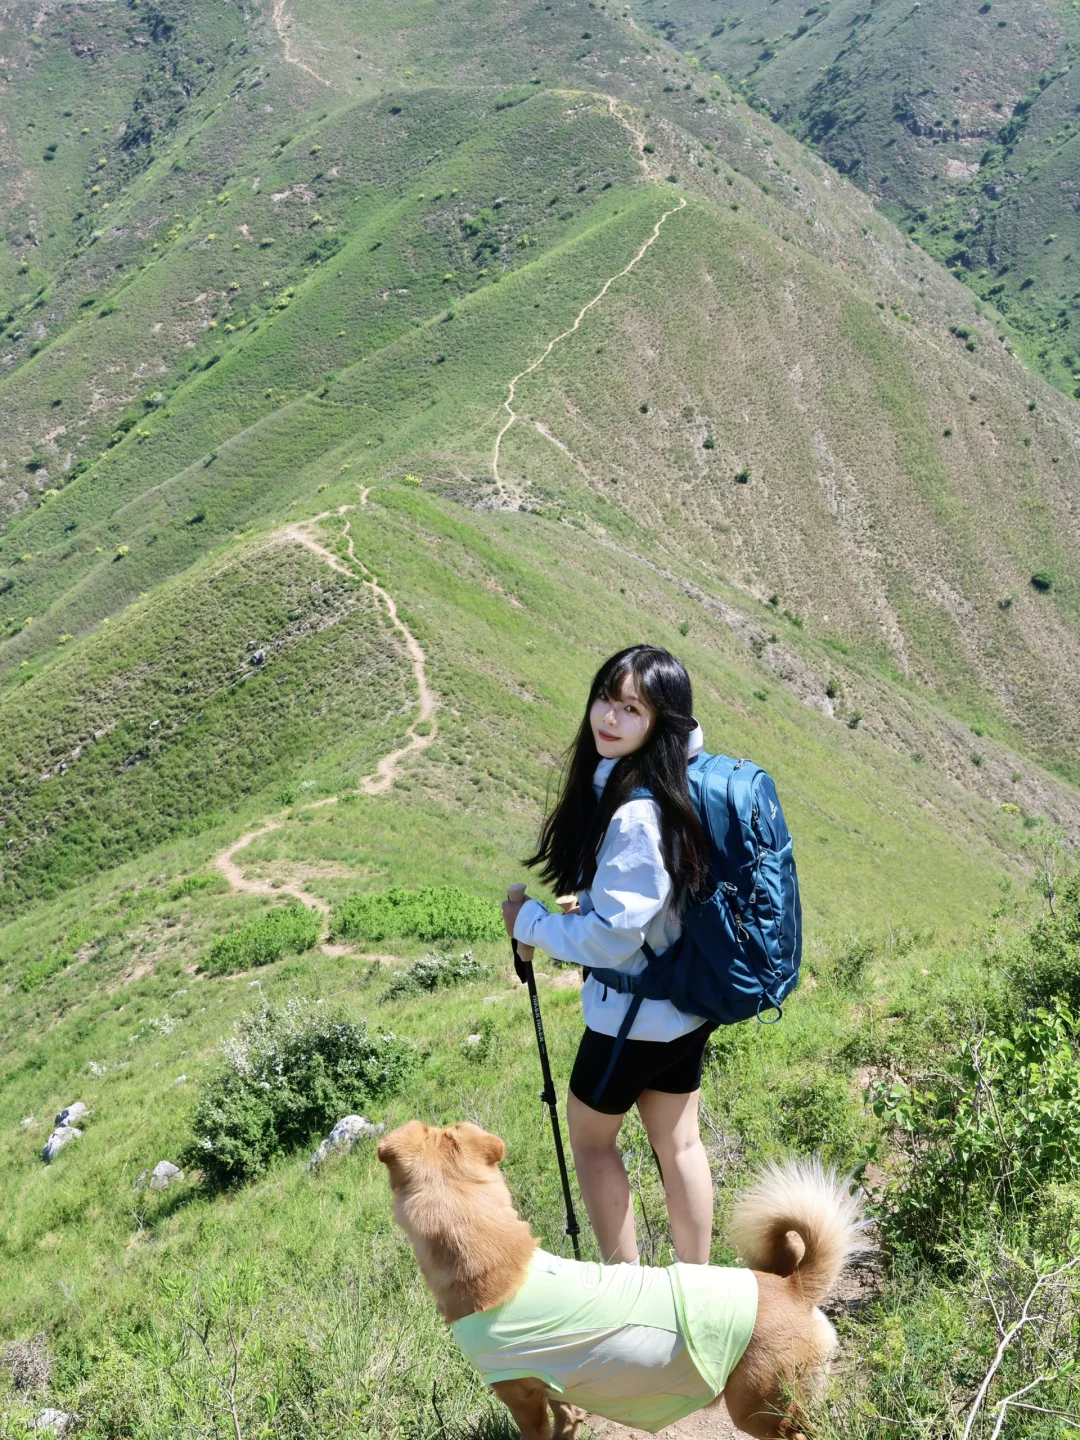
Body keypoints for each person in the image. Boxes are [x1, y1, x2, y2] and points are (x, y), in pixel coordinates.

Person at [502, 645, 715, 1266]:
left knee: (593, 1142)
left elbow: (612, 939)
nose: (609, 718)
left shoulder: (636, 813)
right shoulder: (678, 778)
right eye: (605, 698)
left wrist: (533, 924)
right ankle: (693, 1286)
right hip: (685, 1003)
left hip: (631, 1018)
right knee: (680, 1146)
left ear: (661, 723)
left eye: (631, 708)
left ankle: (625, 1290)